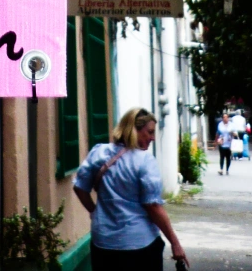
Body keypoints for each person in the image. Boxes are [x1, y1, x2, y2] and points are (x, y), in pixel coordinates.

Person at [73, 107, 189, 270]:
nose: (153, 138)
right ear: (133, 130)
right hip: (139, 245)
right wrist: (175, 243)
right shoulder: (144, 160)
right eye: (149, 132)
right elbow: (153, 206)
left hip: (103, 242)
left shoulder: (98, 152)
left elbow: (79, 187)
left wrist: (94, 211)